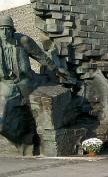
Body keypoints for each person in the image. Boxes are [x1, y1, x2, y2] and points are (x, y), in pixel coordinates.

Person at [0, 15, 68, 144]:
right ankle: (21, 140)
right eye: (1, 29)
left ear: (12, 30)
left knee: (34, 110)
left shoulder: (23, 41)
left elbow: (41, 57)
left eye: (7, 29)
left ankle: (30, 140)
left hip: (27, 81)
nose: (4, 32)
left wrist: (57, 69)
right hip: (6, 84)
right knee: (2, 124)